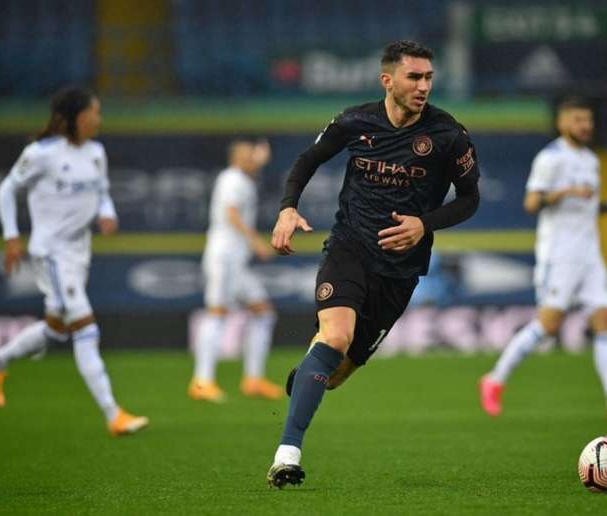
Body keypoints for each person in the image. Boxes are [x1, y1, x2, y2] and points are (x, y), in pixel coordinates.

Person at [266, 40, 480, 488]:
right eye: (413, 77)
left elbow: (470, 199)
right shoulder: (354, 120)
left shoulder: (449, 136)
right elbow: (308, 160)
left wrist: (425, 223)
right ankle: (287, 456)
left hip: (400, 271)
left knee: (335, 372)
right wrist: (288, 207)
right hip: (349, 248)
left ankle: (312, 370)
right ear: (388, 80)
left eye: (428, 78)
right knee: (336, 336)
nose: (423, 86)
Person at [0, 86, 148, 436]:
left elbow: (102, 192)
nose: (100, 118)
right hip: (52, 253)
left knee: (56, 328)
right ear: (79, 117)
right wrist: (11, 237)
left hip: (78, 252)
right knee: (86, 328)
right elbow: (7, 189)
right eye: (96, 112)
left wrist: (107, 213)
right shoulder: (41, 154)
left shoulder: (96, 152)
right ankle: (113, 413)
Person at [478, 98, 607, 421]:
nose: (585, 125)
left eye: (588, 120)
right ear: (563, 123)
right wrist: (564, 192)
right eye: (578, 120)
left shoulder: (590, 159)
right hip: (558, 255)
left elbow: (588, 207)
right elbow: (531, 203)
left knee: (604, 319)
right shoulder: (551, 158)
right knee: (548, 326)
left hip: (589, 254)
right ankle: (494, 379)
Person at [188, 140, 284, 402]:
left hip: (236, 263)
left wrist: (260, 161)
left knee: (263, 312)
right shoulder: (231, 179)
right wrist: (255, 241)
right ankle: (201, 381)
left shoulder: (243, 178)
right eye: (247, 155)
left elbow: (252, 171)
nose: (252, 159)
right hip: (223, 258)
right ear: (235, 159)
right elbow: (231, 213)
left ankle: (253, 379)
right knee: (217, 313)